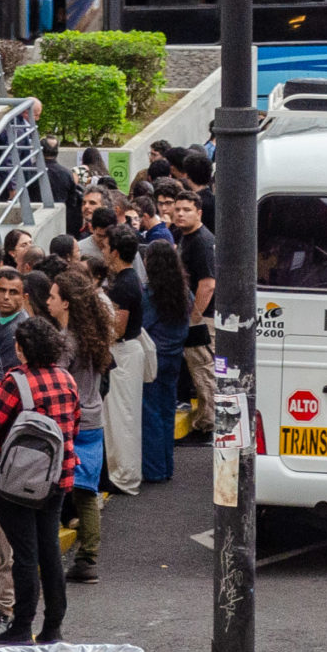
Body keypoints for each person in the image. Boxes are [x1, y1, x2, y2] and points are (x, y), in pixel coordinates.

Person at [0, 320, 83, 645]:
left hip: (18, 483)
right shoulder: (66, 378)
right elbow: (76, 423)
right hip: (59, 477)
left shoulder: (16, 382)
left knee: (24, 554)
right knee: (49, 551)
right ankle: (53, 625)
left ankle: (22, 625)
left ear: (22, 348)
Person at [48, 271, 115, 584]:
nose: (48, 302)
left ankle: (64, 555)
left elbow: (57, 381)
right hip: (93, 420)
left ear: (66, 303)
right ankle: (89, 557)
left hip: (71, 422)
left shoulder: (66, 341)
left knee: (58, 487)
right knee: (87, 491)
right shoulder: (96, 334)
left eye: (52, 297)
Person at [99, 226, 149, 496]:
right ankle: (123, 473)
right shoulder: (130, 280)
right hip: (128, 353)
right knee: (124, 417)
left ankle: (124, 476)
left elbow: (117, 328)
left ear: (115, 252)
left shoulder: (123, 285)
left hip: (123, 355)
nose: (103, 252)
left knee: (122, 419)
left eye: (106, 248)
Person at [139, 238, 192, 485]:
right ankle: (167, 465)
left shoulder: (149, 295)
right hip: (174, 357)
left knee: (150, 413)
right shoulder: (183, 292)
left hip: (153, 358)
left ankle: (154, 469)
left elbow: (142, 326)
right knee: (167, 411)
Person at [171, 189, 217, 439]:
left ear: (198, 213)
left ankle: (209, 422)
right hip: (197, 316)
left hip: (203, 318)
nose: (180, 213)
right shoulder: (186, 236)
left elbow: (208, 283)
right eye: (177, 209)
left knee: (203, 369)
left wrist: (194, 318)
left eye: (186, 210)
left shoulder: (201, 241)